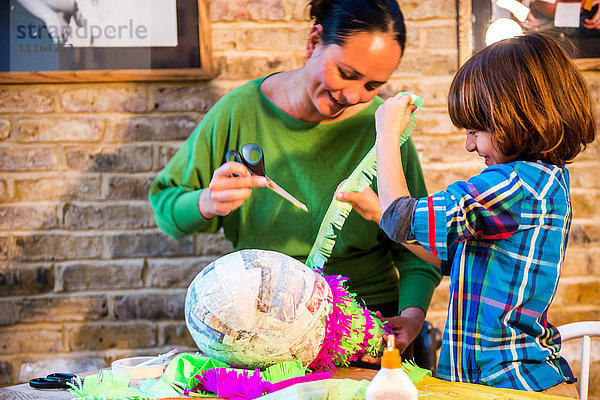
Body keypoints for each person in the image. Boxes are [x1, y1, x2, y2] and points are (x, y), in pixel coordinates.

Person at [149, 0, 441, 363]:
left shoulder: (383, 130)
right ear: (314, 41)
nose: (354, 96)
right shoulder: (238, 111)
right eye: (346, 73)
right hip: (263, 338)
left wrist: (412, 318)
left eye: (373, 84)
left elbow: (420, 248)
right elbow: (166, 208)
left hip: (365, 333)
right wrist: (208, 202)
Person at [372, 32, 595, 397]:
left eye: (476, 129)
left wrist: (386, 135)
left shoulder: (511, 185)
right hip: (500, 381)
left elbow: (400, 219)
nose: (469, 144)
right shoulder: (545, 182)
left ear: (520, 117)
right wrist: (372, 208)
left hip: (508, 386)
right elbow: (450, 256)